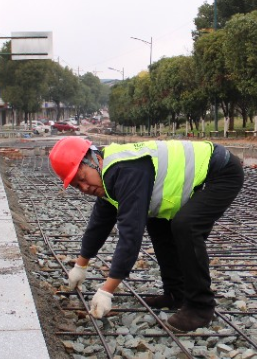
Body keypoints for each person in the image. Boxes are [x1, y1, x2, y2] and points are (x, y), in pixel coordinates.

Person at [48, 137, 244, 332]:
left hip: (220, 173)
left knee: (187, 226)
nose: (85, 188)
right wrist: (81, 265)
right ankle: (177, 294)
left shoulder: (125, 171)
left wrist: (107, 290)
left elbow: (130, 236)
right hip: (204, 177)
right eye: (76, 186)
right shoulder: (107, 177)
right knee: (157, 223)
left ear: (95, 160)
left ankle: (201, 307)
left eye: (82, 178)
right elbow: (99, 224)